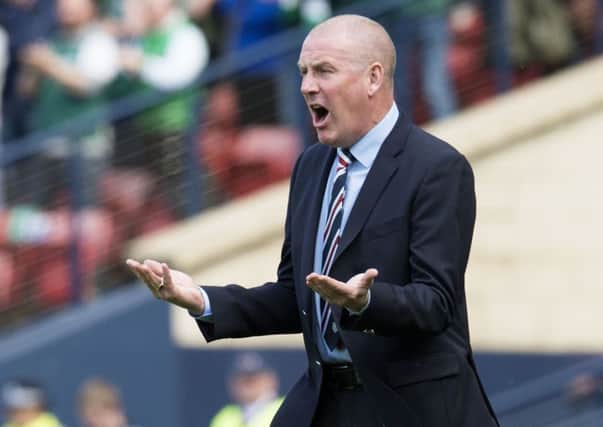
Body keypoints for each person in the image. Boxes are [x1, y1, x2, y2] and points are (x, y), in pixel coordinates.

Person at [127, 14, 499, 426]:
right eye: (303, 72)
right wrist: (202, 299)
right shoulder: (311, 166)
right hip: (327, 401)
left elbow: (435, 303)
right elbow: (295, 296)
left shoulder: (437, 167)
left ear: (373, 78)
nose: (307, 86)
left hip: (412, 409)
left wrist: (367, 302)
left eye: (324, 71)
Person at [209, 352, 284, 427]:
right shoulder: (225, 416)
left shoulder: (285, 408)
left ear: (271, 379)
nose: (248, 384)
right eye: (242, 378)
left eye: (254, 378)